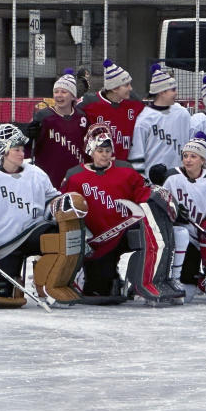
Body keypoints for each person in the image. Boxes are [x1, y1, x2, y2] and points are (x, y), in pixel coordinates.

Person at [0, 123, 75, 306]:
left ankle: (47, 286)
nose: (22, 153)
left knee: (60, 238)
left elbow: (52, 202)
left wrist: (65, 205)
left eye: (23, 149)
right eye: (16, 149)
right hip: (4, 245)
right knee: (3, 296)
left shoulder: (36, 174)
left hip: (33, 233)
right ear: (3, 151)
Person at [61, 123, 173, 302]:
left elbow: (145, 195)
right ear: (90, 150)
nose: (105, 154)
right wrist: (82, 234)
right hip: (96, 242)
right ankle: (106, 278)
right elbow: (65, 209)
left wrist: (160, 196)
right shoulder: (74, 176)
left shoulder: (125, 170)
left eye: (108, 150)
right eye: (100, 150)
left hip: (124, 233)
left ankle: (146, 281)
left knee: (152, 226)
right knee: (100, 291)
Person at [161, 135, 206, 301]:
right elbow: (159, 201)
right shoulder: (172, 176)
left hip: (201, 234)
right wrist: (174, 211)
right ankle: (190, 279)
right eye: (185, 156)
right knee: (187, 293)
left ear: (202, 160)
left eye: (193, 156)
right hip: (179, 234)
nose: (188, 160)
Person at [25, 68, 88, 188]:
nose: (59, 95)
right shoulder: (44, 116)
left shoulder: (82, 117)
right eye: (56, 91)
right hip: (49, 178)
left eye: (64, 92)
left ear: (73, 96)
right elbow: (28, 147)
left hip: (75, 178)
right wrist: (30, 135)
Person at [129, 64, 192, 180]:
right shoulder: (144, 119)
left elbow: (191, 146)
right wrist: (142, 182)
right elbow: (137, 155)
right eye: (172, 89)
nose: (176, 93)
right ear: (161, 92)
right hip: (152, 182)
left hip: (180, 180)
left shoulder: (183, 114)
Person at [76, 59, 145, 162]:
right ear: (114, 88)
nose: (131, 88)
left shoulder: (135, 102)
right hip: (97, 167)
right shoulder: (88, 103)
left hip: (124, 167)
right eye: (126, 85)